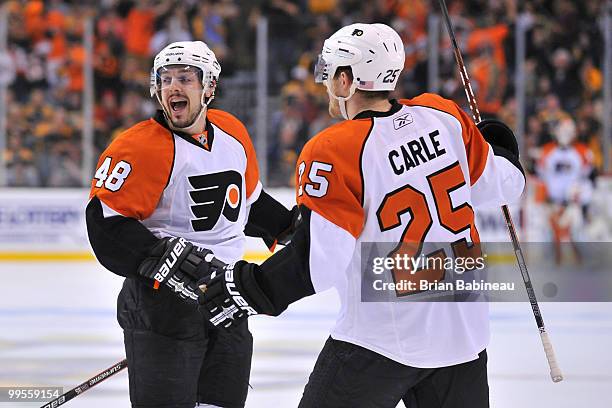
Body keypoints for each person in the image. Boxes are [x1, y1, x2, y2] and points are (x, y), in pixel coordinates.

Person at [197, 23, 525, 407]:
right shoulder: (443, 115)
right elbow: (506, 184)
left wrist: (245, 287)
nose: (325, 83)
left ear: (346, 80)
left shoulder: (336, 148)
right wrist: (498, 144)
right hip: (463, 337)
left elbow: (319, 263)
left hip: (381, 339)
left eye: (330, 72)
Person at [86, 40, 298, 408]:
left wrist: (288, 227)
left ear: (209, 87)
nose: (173, 87)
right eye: (165, 79)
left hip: (227, 300)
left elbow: (246, 200)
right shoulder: (137, 148)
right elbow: (106, 225)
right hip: (161, 307)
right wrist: (164, 257)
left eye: (185, 77)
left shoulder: (232, 132)